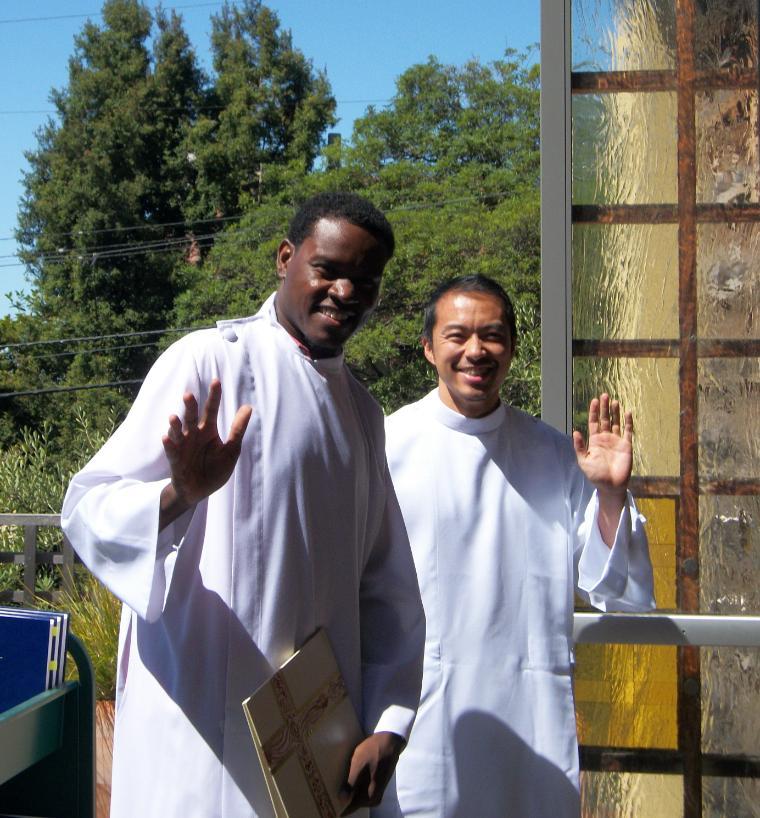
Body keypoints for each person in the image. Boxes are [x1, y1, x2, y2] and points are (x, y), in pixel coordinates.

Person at [61, 192, 426, 818]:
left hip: (313, 735)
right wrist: (180, 494)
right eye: (328, 269)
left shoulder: (363, 412)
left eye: (365, 280)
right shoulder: (211, 361)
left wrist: (390, 723)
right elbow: (88, 508)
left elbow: (384, 584)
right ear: (286, 259)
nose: (345, 291)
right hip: (203, 710)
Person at [378, 275, 655, 818]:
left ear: (513, 347)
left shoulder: (554, 455)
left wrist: (611, 495)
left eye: (493, 336)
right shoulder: (386, 448)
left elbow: (613, 586)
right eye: (458, 336)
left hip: (531, 718)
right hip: (420, 719)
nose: (476, 351)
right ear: (429, 347)